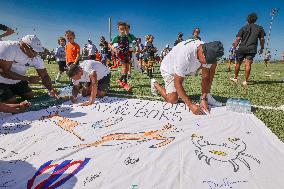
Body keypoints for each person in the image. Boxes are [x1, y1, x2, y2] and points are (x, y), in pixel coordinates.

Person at [151, 39, 224, 115]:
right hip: (170, 69)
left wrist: (203, 98)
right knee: (172, 99)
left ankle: (207, 96)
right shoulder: (184, 55)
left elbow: (205, 77)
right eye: (207, 61)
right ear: (202, 52)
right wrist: (190, 105)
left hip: (184, 68)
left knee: (212, 66)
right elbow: (177, 83)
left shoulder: (208, 50)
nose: (206, 63)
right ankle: (155, 84)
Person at [0, 35, 58, 104]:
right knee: (11, 101)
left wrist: (51, 89)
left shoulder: (35, 57)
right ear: (24, 44)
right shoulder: (9, 48)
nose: (36, 54)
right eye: (34, 51)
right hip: (1, 81)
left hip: (16, 81)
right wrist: (28, 79)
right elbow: (4, 72)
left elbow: (44, 75)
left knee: (30, 95)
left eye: (38, 51)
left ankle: (10, 91)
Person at [230, 13, 266, 86]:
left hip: (242, 48)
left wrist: (234, 47)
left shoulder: (243, 28)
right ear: (255, 20)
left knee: (238, 63)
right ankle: (246, 81)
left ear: (247, 19)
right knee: (248, 64)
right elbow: (262, 39)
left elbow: (238, 39)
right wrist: (262, 48)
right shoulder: (260, 28)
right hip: (252, 49)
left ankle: (235, 78)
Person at [109, 21, 132, 90]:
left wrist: (133, 48)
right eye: (121, 29)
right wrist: (115, 50)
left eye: (124, 29)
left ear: (125, 29)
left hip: (127, 54)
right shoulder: (117, 37)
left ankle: (120, 79)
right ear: (118, 29)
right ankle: (125, 84)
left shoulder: (128, 37)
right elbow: (109, 45)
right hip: (120, 54)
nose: (122, 30)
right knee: (124, 68)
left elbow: (132, 44)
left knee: (127, 69)